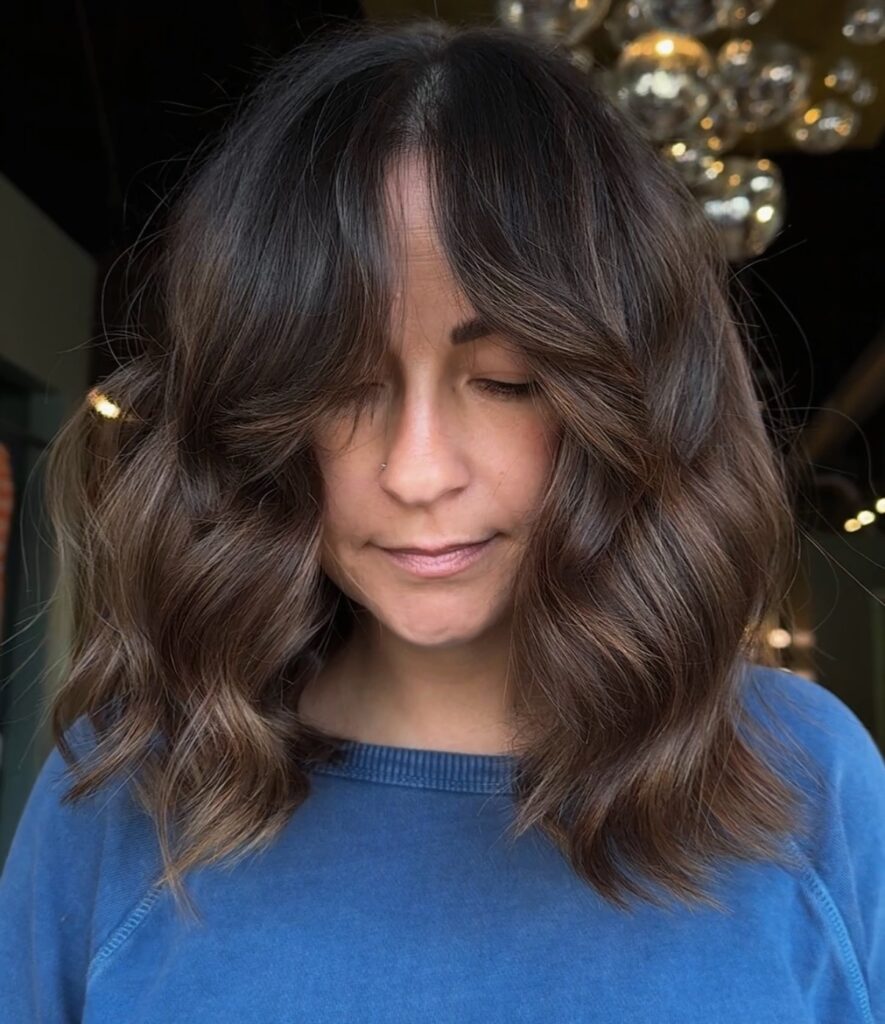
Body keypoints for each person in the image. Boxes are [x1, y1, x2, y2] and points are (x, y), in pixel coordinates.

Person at [1, 18, 883, 1024]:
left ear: (630, 396)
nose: (417, 471)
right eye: (340, 384)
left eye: (505, 381)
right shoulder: (124, 797)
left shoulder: (806, 779)